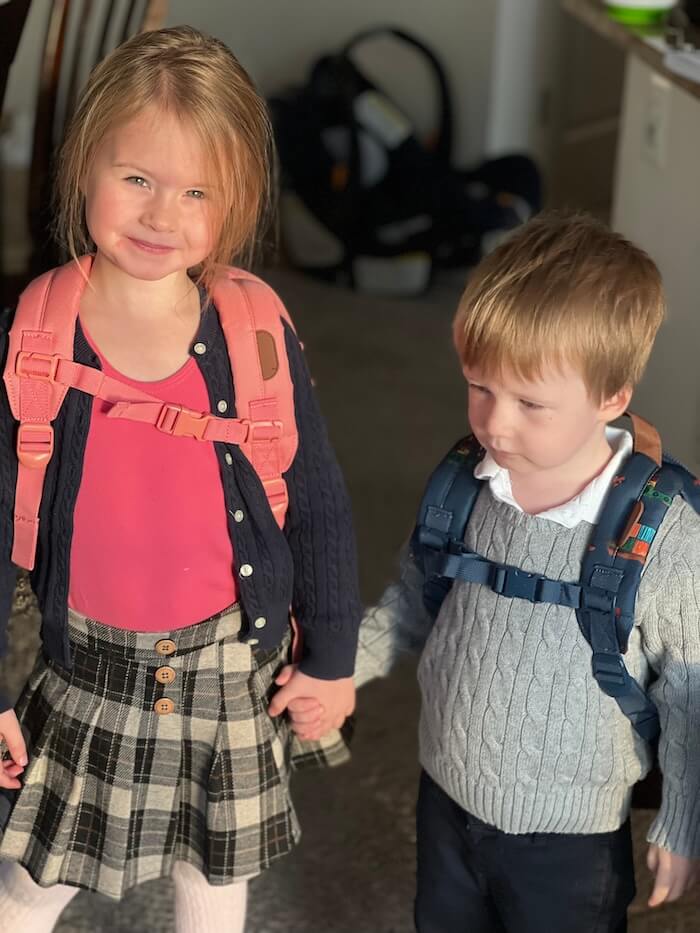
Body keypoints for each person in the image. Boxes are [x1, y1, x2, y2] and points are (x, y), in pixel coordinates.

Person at [0, 25, 360, 933]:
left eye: (198, 190)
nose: (165, 214)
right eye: (137, 180)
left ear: (236, 200)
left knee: (215, 875)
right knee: (33, 878)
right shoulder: (40, 333)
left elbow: (315, 499)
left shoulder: (252, 330)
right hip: (86, 668)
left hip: (226, 665)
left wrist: (334, 661)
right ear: (84, 167)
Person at [337, 213, 700, 932]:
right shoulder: (464, 486)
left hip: (571, 838)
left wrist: (681, 823)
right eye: (479, 387)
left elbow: (688, 691)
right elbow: (413, 597)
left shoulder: (665, 538)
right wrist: (335, 667)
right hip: (445, 791)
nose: (494, 424)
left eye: (530, 403)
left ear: (612, 398)